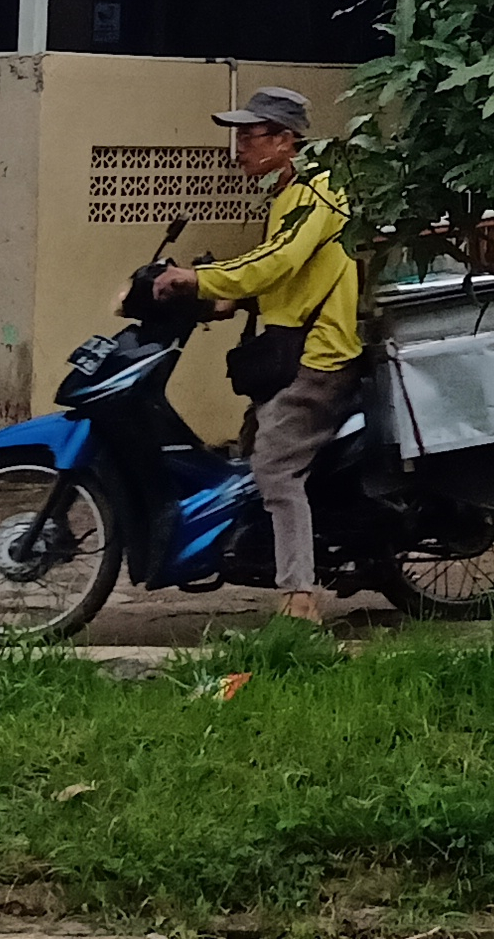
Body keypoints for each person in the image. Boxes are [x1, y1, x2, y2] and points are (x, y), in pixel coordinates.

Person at [152, 87, 358, 624]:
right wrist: (229, 299)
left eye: (249, 136)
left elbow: (277, 259)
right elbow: (286, 276)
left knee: (273, 465)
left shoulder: (319, 192)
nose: (238, 148)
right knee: (246, 453)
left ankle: (299, 599)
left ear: (285, 140)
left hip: (321, 356)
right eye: (238, 136)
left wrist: (201, 278)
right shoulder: (289, 191)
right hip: (290, 349)